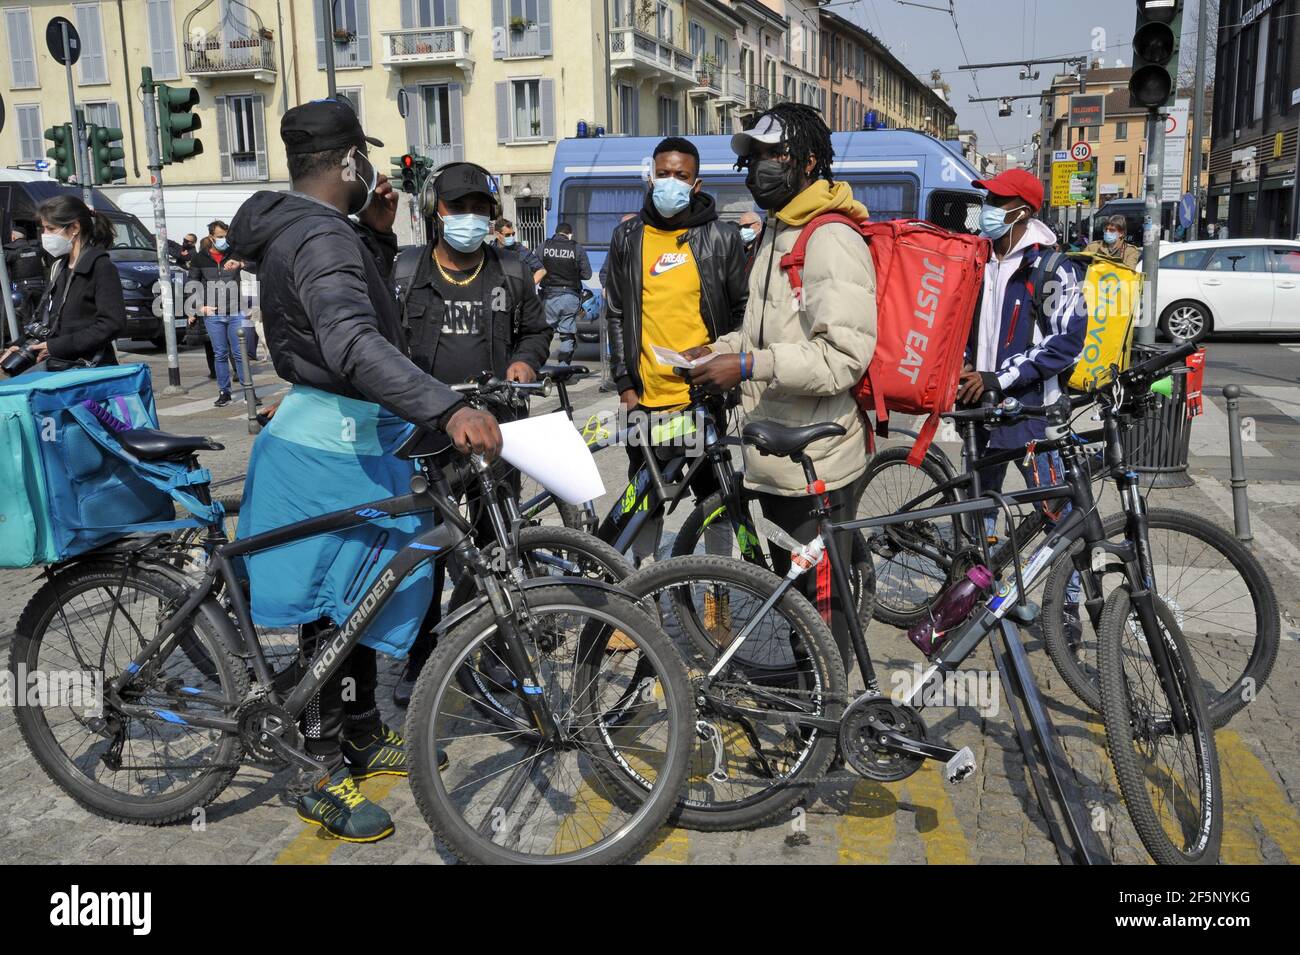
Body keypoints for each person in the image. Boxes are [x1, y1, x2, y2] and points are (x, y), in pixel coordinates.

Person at [227, 99, 500, 843]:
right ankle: (318, 771)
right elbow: (350, 342)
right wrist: (445, 408)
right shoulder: (318, 239)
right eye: (365, 159)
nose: (373, 172)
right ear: (349, 162)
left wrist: (377, 236)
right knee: (328, 618)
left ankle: (358, 730)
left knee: (357, 607)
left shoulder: (328, 232)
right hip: (323, 452)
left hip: (344, 442)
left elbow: (351, 316)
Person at [683, 106, 876, 665]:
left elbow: (844, 357)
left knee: (821, 613)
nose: (758, 168)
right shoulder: (778, 230)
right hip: (774, 453)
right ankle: (809, 702)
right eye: (752, 158)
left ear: (808, 161)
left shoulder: (831, 238)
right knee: (798, 600)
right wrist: (719, 350)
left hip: (817, 457)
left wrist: (748, 367)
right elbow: (762, 330)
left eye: (773, 155)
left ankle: (828, 728)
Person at [390, 162, 553, 705]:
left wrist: (525, 364)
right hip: (427, 433)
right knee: (427, 552)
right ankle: (421, 655)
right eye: (458, 208)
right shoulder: (406, 271)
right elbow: (382, 345)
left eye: (479, 209)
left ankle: (497, 650)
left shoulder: (509, 270)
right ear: (438, 212)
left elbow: (535, 330)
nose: (469, 218)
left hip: (495, 433)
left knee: (496, 544)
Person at [602, 136, 748, 564]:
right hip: (646, 402)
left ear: (696, 183)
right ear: (651, 177)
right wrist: (625, 384)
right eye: (662, 174)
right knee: (643, 504)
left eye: (680, 176)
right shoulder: (628, 237)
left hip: (702, 398)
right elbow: (614, 312)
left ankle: (716, 599)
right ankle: (644, 597)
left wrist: (718, 351)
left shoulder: (721, 239)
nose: (670, 183)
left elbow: (745, 312)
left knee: (715, 502)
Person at [955, 168, 1087, 530]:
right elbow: (960, 326)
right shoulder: (976, 259)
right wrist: (963, 365)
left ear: (1024, 211)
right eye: (988, 200)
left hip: (1032, 415)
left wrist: (999, 377)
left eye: (999, 201)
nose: (989, 208)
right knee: (977, 516)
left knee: (1058, 519)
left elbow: (1067, 342)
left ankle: (1068, 588)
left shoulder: (1052, 269)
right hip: (978, 409)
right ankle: (978, 583)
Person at [2, 196, 125, 374]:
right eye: (43, 228)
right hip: (59, 368)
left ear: (74, 227)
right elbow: (48, 321)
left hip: (89, 370)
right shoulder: (59, 266)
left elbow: (112, 324)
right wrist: (19, 345)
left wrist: (56, 346)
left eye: (50, 228)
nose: (44, 235)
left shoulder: (100, 266)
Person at [188, 221, 256, 407]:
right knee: (220, 354)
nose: (223, 240)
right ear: (211, 237)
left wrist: (241, 263)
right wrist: (199, 307)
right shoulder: (200, 258)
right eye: (219, 237)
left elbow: (256, 264)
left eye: (225, 236)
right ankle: (224, 392)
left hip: (236, 311)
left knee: (240, 353)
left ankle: (249, 391)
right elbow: (192, 283)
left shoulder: (234, 253)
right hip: (213, 314)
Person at [539, 222, 592, 365]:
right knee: (567, 334)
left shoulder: (544, 246)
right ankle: (562, 368)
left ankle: (539, 367)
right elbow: (587, 274)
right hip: (570, 297)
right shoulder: (576, 248)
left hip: (548, 297)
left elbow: (534, 267)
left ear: (555, 233)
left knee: (544, 332)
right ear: (569, 234)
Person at [5, 222, 49, 327]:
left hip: (21, 289)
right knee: (42, 317)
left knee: (24, 319)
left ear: (13, 236)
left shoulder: (9, 250)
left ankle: (27, 339)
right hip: (41, 286)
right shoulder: (37, 247)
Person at [493, 217, 545, 285]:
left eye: (513, 234)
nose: (511, 237)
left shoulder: (520, 250)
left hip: (514, 292)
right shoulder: (490, 250)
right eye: (507, 235)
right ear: (497, 234)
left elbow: (541, 270)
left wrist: (528, 287)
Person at [738, 209, 764, 277]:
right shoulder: (742, 247)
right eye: (740, 227)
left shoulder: (764, 245)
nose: (742, 230)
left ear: (758, 225)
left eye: (746, 226)